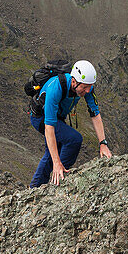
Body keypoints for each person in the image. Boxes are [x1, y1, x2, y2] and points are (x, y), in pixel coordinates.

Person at [29, 60, 112, 188]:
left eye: (89, 86)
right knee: (73, 139)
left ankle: (36, 187)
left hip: (57, 117)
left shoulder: (87, 87)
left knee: (52, 153)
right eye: (84, 87)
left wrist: (103, 143)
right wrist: (57, 163)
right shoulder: (55, 88)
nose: (88, 91)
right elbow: (49, 127)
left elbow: (95, 114)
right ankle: (60, 178)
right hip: (40, 118)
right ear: (74, 81)